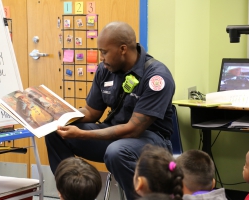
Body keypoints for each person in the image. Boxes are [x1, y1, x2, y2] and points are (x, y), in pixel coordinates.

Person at [45, 21, 175, 200]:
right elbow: (92, 112)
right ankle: (73, 193)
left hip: (150, 141)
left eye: (104, 52)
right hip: (112, 137)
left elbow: (133, 129)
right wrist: (59, 116)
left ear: (123, 49)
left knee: (117, 151)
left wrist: (81, 134)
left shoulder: (156, 77)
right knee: (55, 132)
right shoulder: (105, 70)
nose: (101, 58)